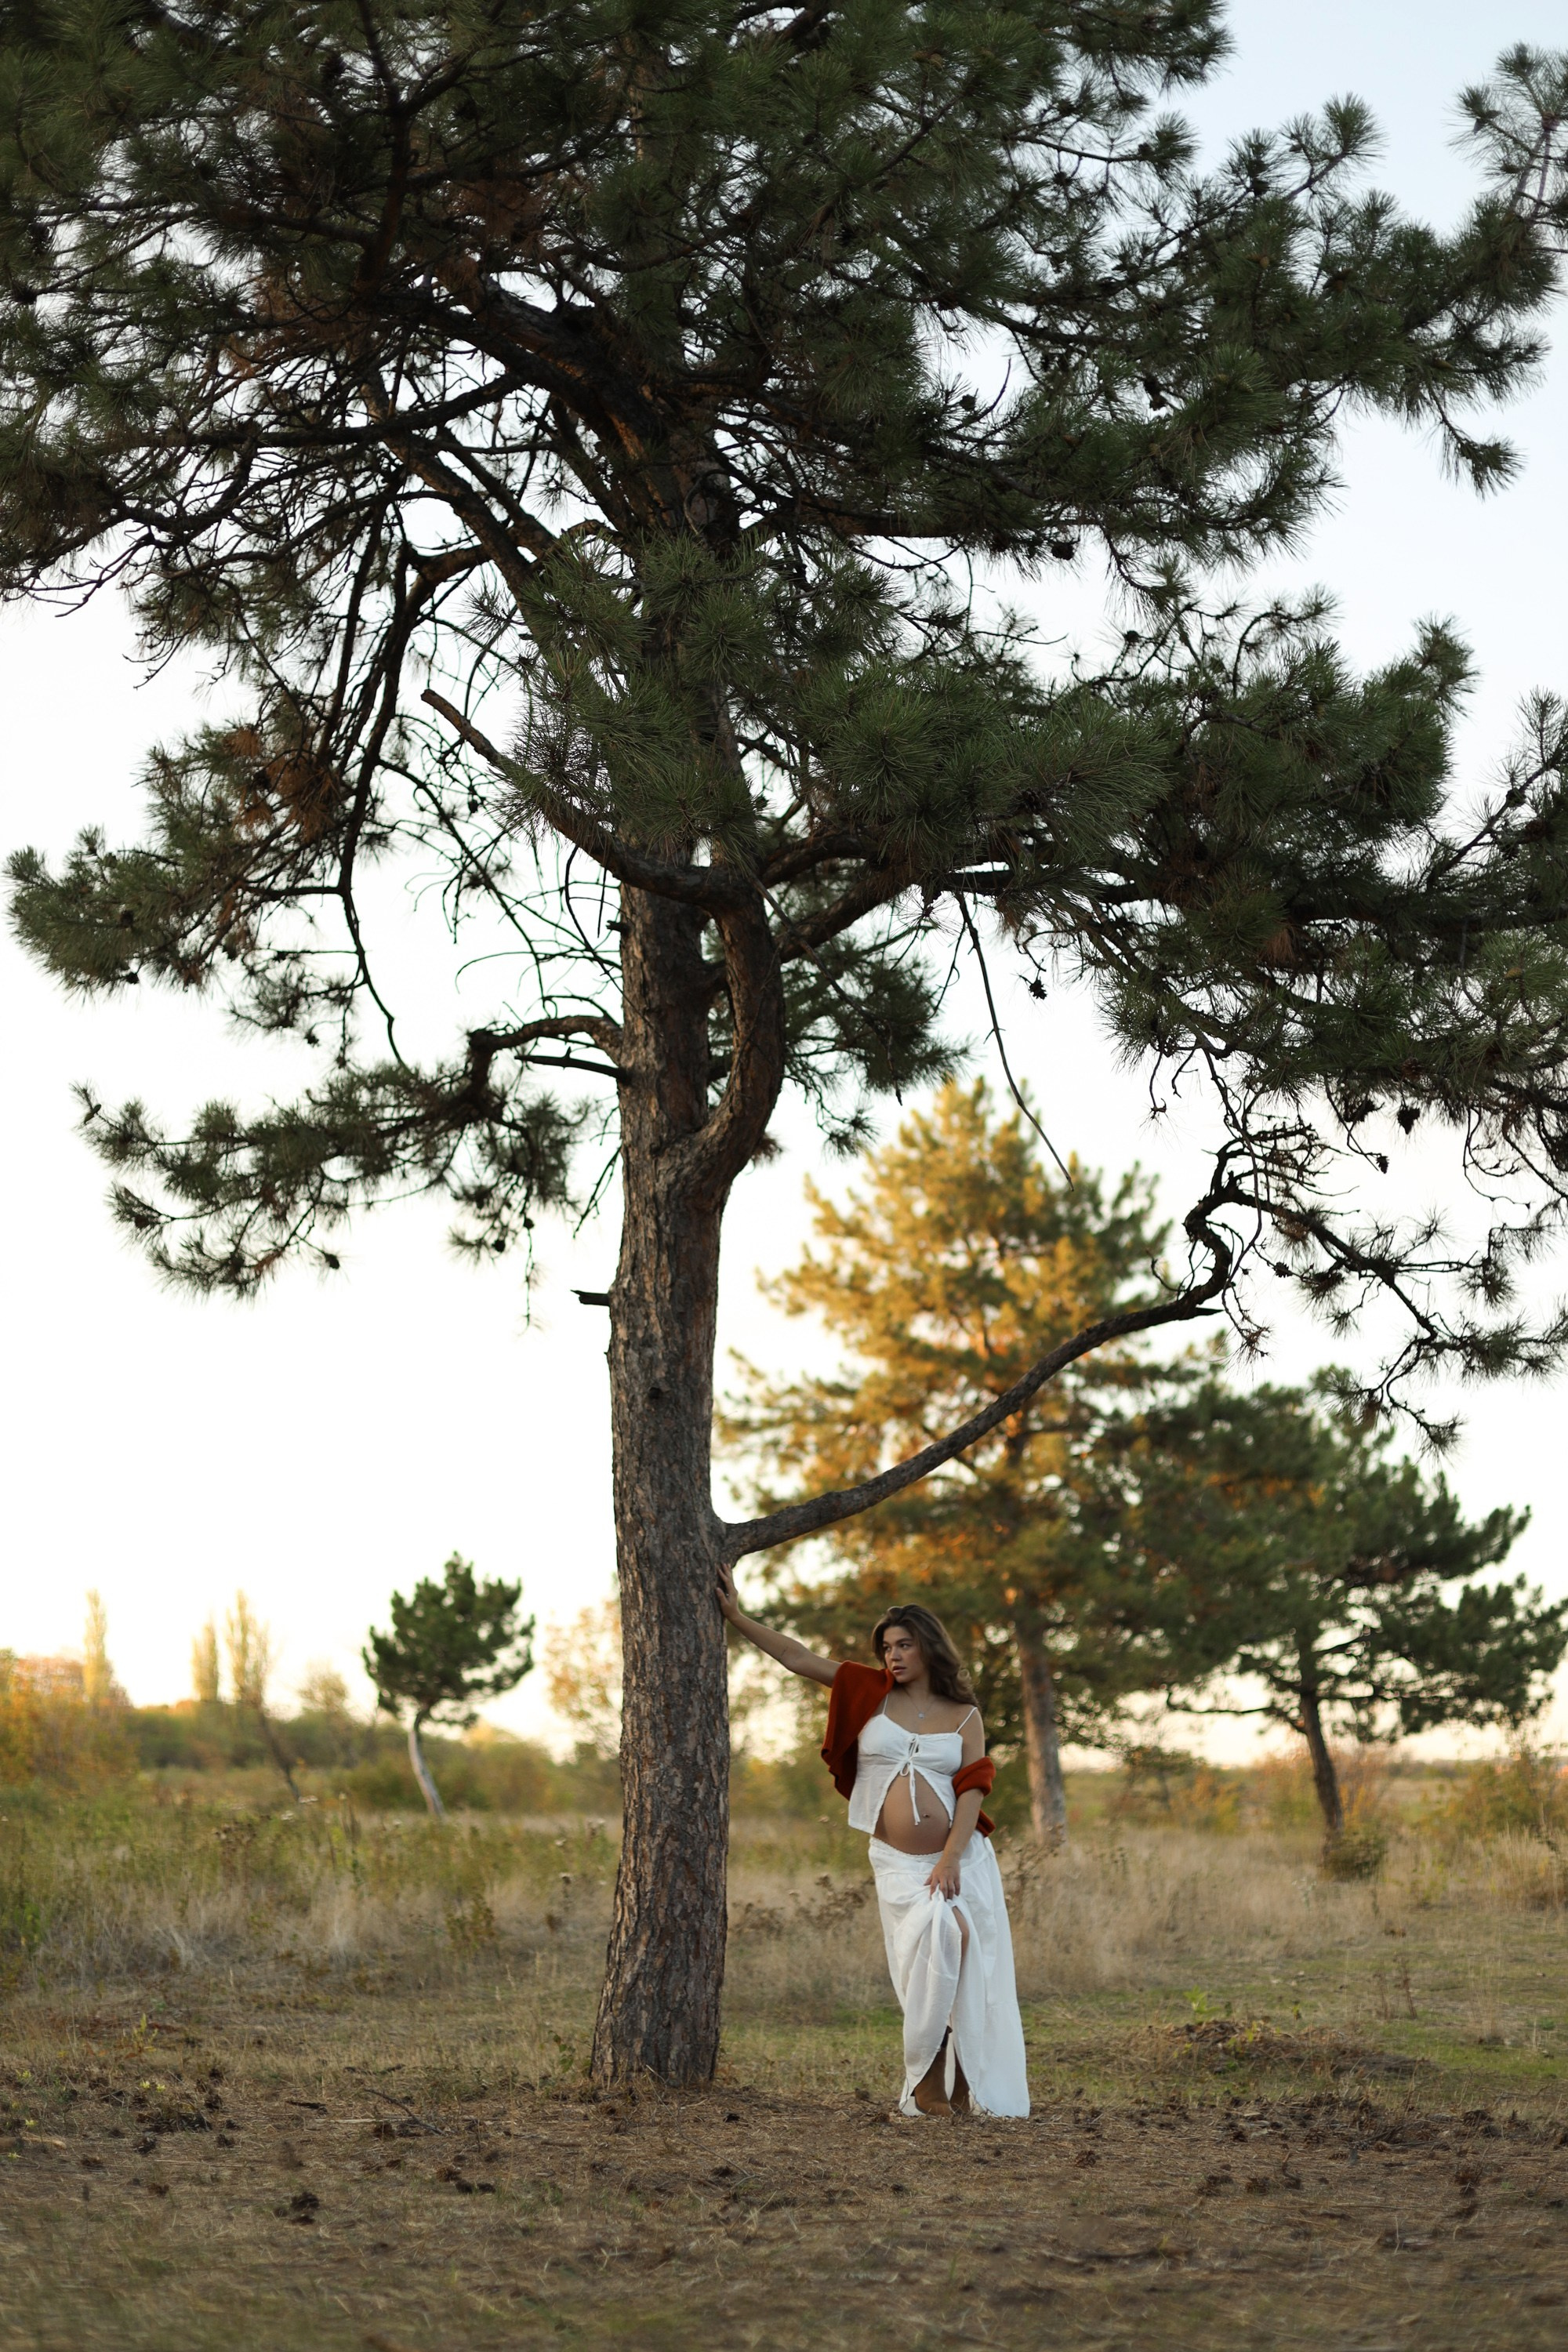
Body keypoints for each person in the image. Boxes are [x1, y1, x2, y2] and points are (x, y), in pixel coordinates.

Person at [717, 1573, 1030, 2118]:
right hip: (898, 1861)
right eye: (886, 1648)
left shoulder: (965, 1715)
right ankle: (929, 2077)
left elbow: (974, 1789)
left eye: (904, 1645)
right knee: (936, 1947)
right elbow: (796, 1657)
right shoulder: (869, 1691)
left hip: (961, 1859)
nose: (893, 1656)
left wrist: (951, 1858)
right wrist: (738, 1618)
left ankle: (964, 2081)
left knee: (967, 1957)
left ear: (928, 1647)